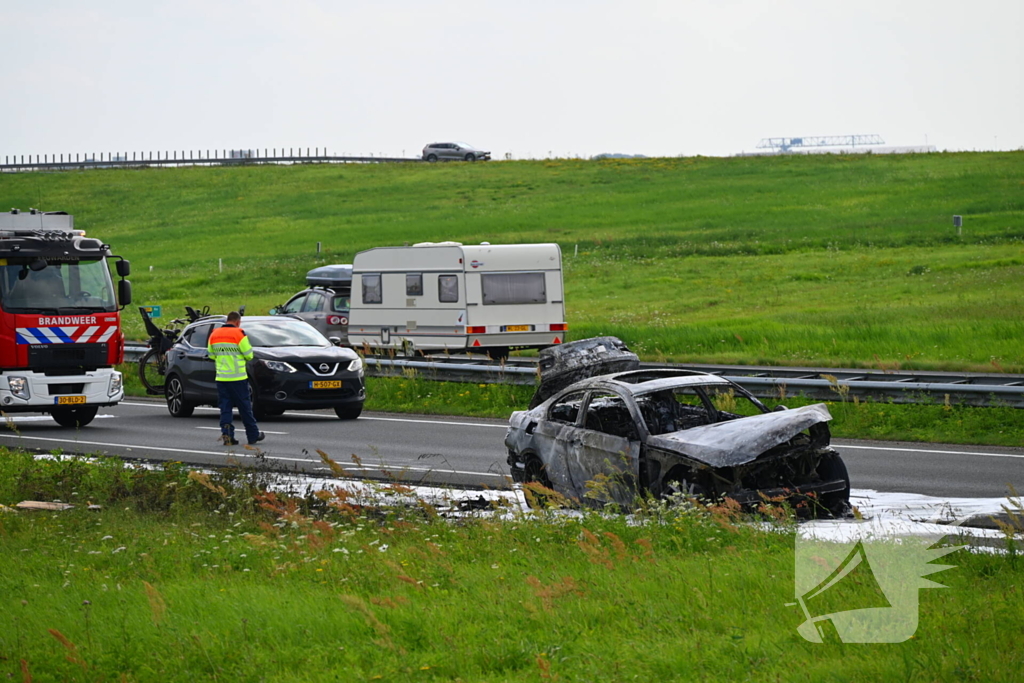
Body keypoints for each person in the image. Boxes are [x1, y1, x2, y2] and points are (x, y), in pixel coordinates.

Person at [207, 311, 265, 446]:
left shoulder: (214, 334)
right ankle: (253, 435)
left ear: (227, 320)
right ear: (238, 321)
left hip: (222, 378)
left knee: (225, 408)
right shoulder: (239, 333)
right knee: (245, 407)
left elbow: (211, 355)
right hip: (238, 377)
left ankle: (227, 436)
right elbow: (249, 355)